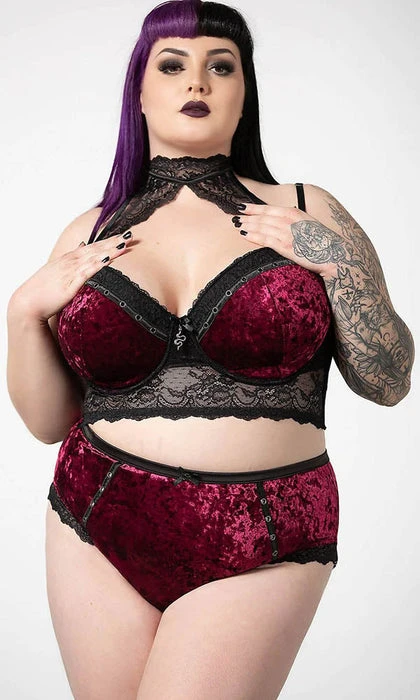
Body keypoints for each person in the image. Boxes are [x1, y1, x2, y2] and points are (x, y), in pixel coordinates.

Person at [7, 1, 414, 698]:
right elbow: (49, 423)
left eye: (220, 67)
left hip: (266, 531)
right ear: (139, 93)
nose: (197, 81)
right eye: (173, 65)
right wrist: (21, 312)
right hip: (95, 516)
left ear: (244, 93)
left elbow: (389, 380)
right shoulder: (89, 232)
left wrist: (334, 260)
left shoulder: (306, 209)